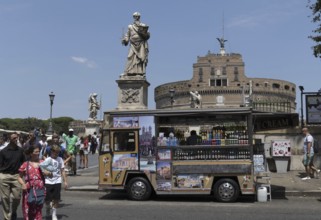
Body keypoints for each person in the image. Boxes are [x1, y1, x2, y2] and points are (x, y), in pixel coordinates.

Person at [18, 145, 49, 220]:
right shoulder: (26, 164)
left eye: (38, 151)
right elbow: (19, 177)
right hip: (29, 190)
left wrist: (48, 173)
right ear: (31, 153)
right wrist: (23, 184)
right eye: (36, 152)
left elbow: (50, 174)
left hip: (40, 189)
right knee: (28, 209)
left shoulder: (43, 163)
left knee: (38, 209)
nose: (38, 153)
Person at [0, 133, 25, 220]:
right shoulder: (3, 151)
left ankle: (14, 211)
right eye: (14, 138)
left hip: (16, 176)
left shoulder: (20, 150)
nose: (16, 139)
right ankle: (7, 217)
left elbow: (23, 163)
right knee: (5, 197)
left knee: (17, 197)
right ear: (9, 139)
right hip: (4, 175)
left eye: (17, 138)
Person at [40, 145, 68, 220]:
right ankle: (47, 207)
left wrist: (65, 181)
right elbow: (41, 168)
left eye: (58, 153)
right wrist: (45, 172)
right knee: (47, 199)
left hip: (57, 180)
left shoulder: (60, 159)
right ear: (51, 152)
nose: (56, 154)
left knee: (56, 198)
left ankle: (54, 214)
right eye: (55, 153)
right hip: (48, 181)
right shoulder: (48, 159)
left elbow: (62, 170)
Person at [121, 12, 150, 77]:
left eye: (137, 16)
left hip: (141, 43)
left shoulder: (143, 25)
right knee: (130, 57)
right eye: (135, 16)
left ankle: (139, 73)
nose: (136, 17)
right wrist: (125, 40)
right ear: (133, 17)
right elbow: (127, 35)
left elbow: (148, 35)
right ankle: (127, 72)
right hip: (133, 44)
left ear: (139, 17)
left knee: (140, 58)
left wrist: (144, 33)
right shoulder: (130, 26)